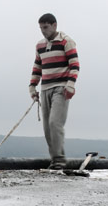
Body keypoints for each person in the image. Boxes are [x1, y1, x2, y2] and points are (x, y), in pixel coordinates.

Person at [29, 13, 79, 169]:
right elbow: (37, 66)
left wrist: (70, 84)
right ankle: (55, 159)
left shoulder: (66, 41)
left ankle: (59, 160)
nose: (43, 31)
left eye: (45, 27)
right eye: (41, 28)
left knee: (55, 123)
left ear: (54, 25)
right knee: (46, 127)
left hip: (61, 88)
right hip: (45, 88)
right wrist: (32, 86)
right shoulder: (40, 45)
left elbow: (75, 65)